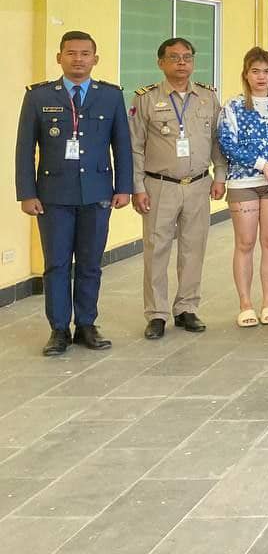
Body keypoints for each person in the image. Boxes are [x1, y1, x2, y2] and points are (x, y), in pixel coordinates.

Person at [16, 31, 133, 355]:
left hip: (97, 193)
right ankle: (58, 330)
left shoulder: (110, 96)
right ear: (59, 58)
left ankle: (85, 325)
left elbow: (122, 145)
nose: (78, 59)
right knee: (56, 265)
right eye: (71, 53)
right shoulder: (38, 96)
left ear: (95, 59)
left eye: (84, 54)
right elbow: (24, 149)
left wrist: (124, 187)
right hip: (53, 196)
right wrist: (26, 193)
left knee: (90, 264)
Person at [129, 37, 227, 339]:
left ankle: (186, 308)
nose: (182, 62)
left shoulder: (207, 97)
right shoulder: (145, 99)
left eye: (187, 57)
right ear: (161, 63)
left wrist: (220, 175)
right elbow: (135, 147)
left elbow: (217, 141)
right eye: (174, 57)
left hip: (198, 184)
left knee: (193, 249)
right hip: (160, 186)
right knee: (156, 249)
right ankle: (156, 313)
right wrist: (137, 186)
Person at [217, 48, 268, 328]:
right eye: (255, 71)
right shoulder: (234, 106)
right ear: (246, 74)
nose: (261, 77)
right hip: (243, 183)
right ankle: (245, 304)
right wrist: (262, 164)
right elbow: (227, 144)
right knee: (245, 243)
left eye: (266, 71)